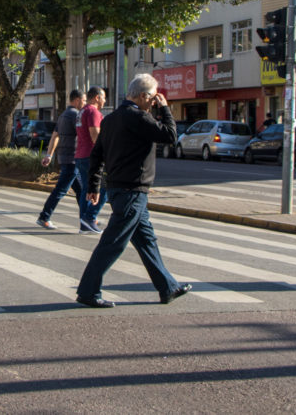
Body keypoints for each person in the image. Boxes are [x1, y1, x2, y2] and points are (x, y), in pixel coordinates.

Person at [75, 73, 191, 308]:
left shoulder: (111, 119)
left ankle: (167, 287)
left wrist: (94, 185)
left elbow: (97, 155)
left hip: (120, 189)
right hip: (132, 191)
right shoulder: (138, 117)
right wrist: (165, 110)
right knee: (113, 242)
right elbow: (170, 135)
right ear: (143, 96)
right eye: (152, 98)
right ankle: (88, 291)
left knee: (147, 240)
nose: (153, 103)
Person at [36, 90, 86, 230]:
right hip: (72, 158)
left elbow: (54, 136)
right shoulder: (75, 115)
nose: (85, 103)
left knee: (80, 191)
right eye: (84, 100)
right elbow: (84, 135)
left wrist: (49, 155)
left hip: (65, 157)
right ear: (76, 100)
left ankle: (87, 218)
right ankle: (44, 217)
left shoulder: (63, 115)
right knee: (60, 190)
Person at [74, 86, 107, 233]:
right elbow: (96, 137)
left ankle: (84, 223)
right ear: (97, 97)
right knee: (105, 188)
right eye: (104, 97)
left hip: (81, 154)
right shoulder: (93, 111)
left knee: (85, 190)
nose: (105, 100)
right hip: (91, 156)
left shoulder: (82, 111)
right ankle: (90, 217)